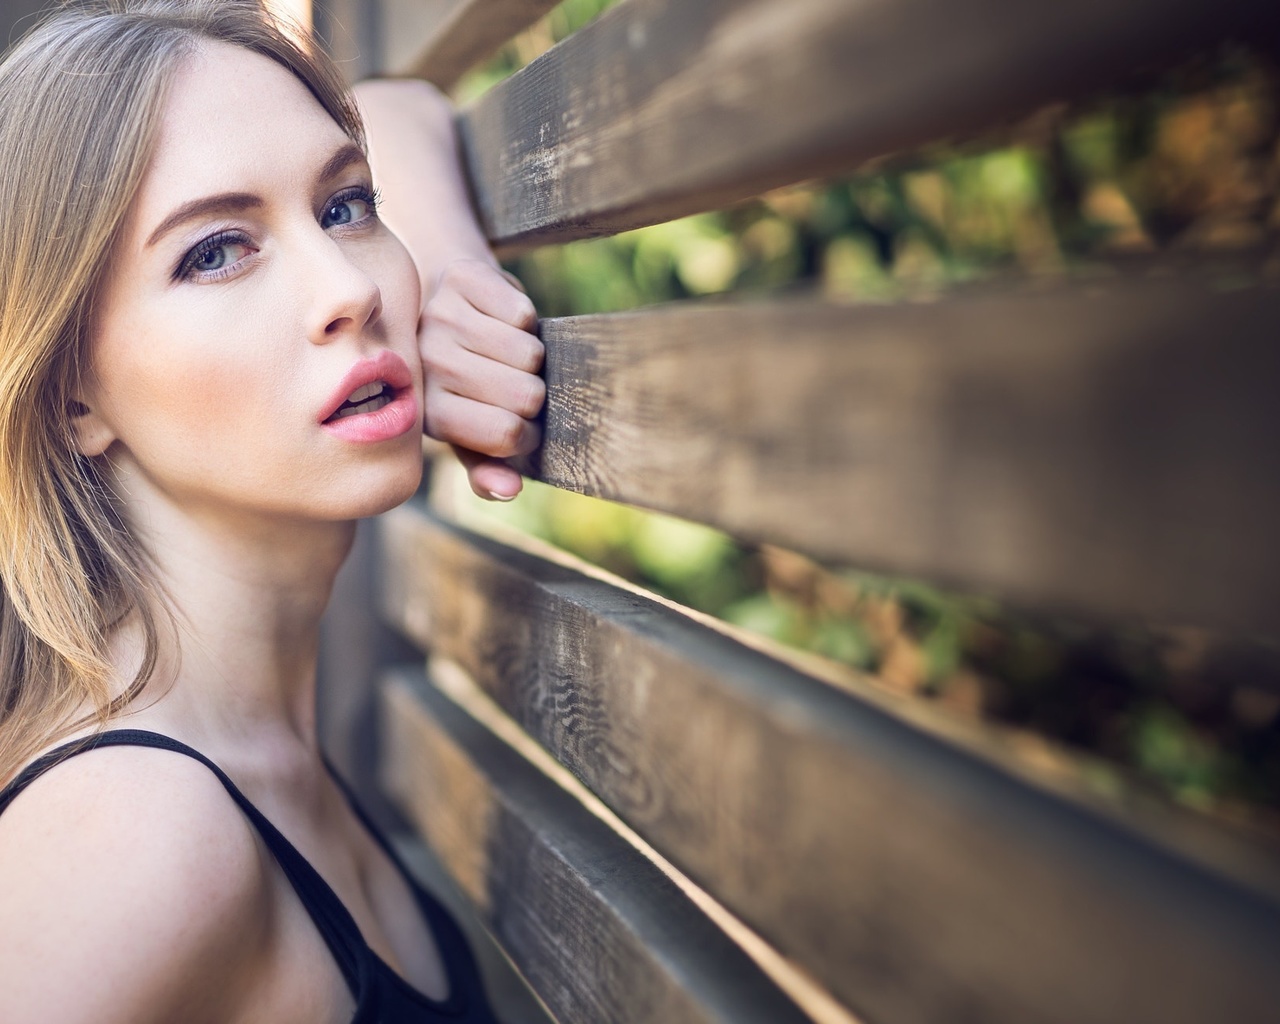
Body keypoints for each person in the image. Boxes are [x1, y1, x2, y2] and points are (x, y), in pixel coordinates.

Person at [0, 2, 544, 1020]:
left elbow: (401, 104)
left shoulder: (244, 761)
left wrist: (456, 273)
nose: (348, 288)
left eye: (346, 208)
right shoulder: (137, 842)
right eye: (215, 252)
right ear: (76, 395)